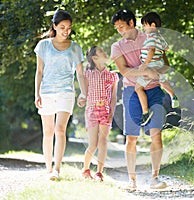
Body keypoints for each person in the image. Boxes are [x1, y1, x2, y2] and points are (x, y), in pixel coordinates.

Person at [110, 9, 168, 189]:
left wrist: (156, 73)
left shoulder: (150, 36)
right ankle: (131, 180)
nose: (119, 30)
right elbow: (124, 71)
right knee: (132, 138)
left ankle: (155, 178)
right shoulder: (117, 47)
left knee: (156, 135)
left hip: (154, 90)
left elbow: (166, 64)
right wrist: (145, 71)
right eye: (117, 28)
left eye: (121, 26)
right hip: (131, 92)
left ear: (131, 23)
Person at [34, 10, 87, 181]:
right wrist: (37, 94)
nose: (66, 31)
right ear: (54, 26)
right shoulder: (43, 45)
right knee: (48, 132)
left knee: (60, 129)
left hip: (66, 92)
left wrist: (83, 93)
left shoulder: (75, 47)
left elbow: (80, 73)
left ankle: (57, 168)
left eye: (69, 28)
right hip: (47, 92)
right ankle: (48, 168)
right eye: (62, 27)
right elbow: (39, 72)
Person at [80, 46, 119, 181]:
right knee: (93, 144)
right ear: (95, 58)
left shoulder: (113, 76)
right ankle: (85, 169)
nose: (105, 52)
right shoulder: (87, 74)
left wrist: (111, 112)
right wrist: (81, 100)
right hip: (91, 110)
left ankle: (99, 172)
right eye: (101, 51)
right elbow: (83, 93)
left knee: (103, 142)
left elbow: (114, 97)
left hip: (105, 111)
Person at [135, 12, 179, 126]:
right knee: (161, 81)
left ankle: (145, 112)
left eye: (145, 25)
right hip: (158, 63)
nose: (143, 28)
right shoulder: (159, 37)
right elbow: (166, 48)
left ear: (153, 25)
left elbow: (151, 51)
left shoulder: (151, 37)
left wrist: (145, 64)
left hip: (151, 65)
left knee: (138, 88)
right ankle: (173, 95)